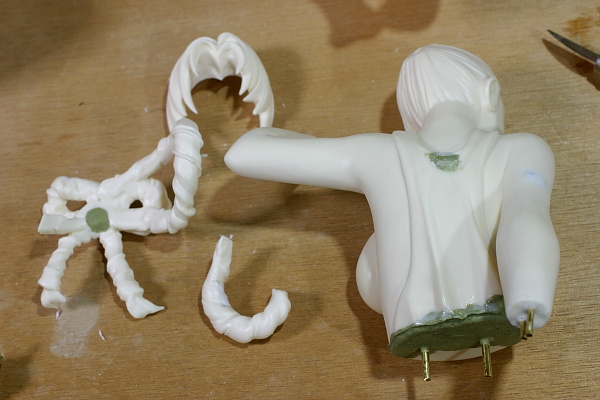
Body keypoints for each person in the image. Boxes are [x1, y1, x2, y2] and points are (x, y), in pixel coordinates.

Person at [224, 45, 560, 364]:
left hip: (407, 321)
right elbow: (526, 214)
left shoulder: (373, 153)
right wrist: (529, 294)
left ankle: (419, 311)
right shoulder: (523, 148)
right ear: (490, 94)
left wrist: (327, 151)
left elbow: (243, 153)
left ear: (410, 119)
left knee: (376, 261)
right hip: (506, 314)